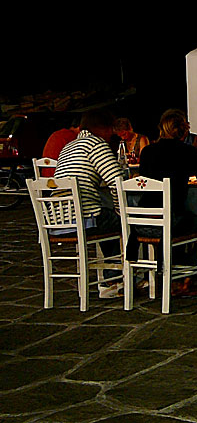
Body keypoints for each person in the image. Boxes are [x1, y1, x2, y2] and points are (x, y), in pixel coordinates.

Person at [135, 109, 197, 282]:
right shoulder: (186, 151)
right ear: (184, 130)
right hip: (170, 221)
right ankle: (189, 274)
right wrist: (195, 153)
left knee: (182, 220)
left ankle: (171, 270)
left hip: (142, 222)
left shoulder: (147, 152)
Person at [54, 109, 125, 298]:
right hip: (84, 218)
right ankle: (116, 279)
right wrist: (121, 212)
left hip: (57, 221)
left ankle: (112, 278)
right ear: (103, 128)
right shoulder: (96, 144)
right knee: (125, 223)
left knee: (108, 219)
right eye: (111, 129)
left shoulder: (69, 147)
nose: (113, 134)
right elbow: (117, 181)